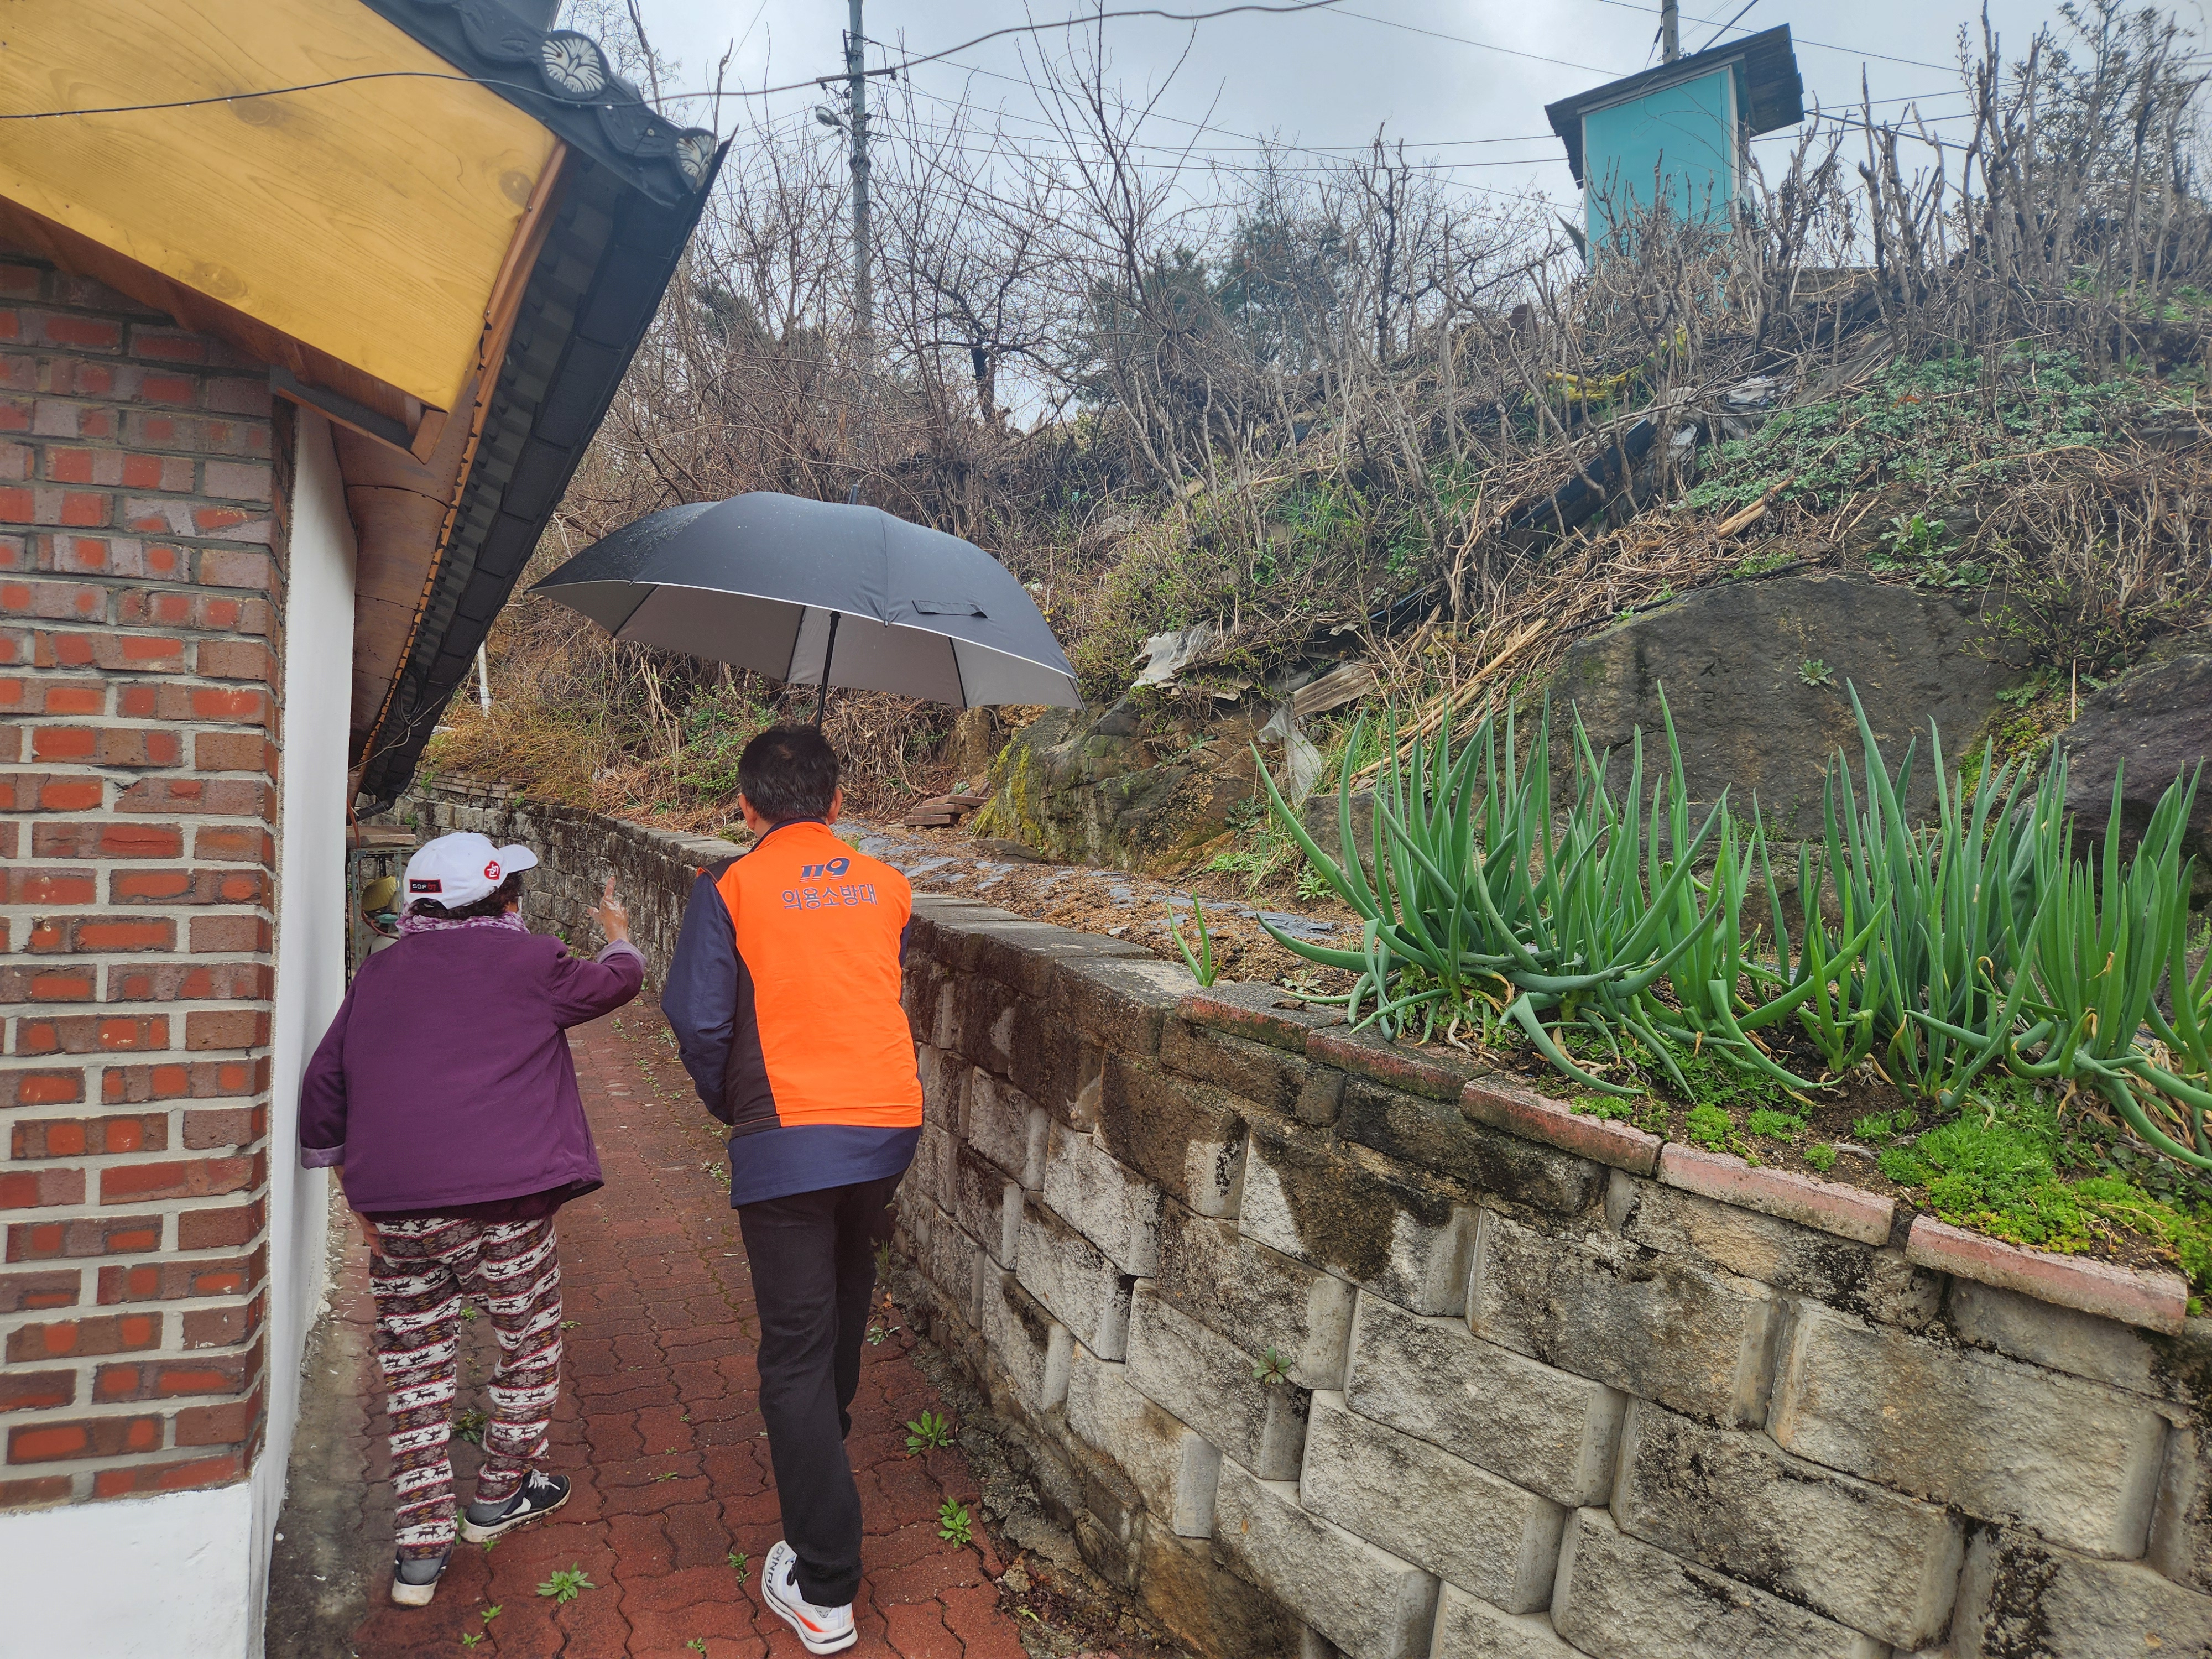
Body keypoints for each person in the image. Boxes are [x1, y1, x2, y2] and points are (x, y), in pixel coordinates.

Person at [298, 832, 643, 1608]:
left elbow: (324, 1084)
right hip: (504, 1206)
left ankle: (418, 1553)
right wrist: (619, 936)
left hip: (399, 1212)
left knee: (415, 1369)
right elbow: (615, 984)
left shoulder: (380, 971)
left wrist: (356, 1193)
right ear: (504, 900)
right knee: (528, 1340)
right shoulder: (532, 960)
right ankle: (499, 1492)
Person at [662, 726, 922, 1656]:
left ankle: (825, 1587)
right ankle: (827, 1441)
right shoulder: (887, 884)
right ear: (838, 802)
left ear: (746, 806)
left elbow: (698, 1019)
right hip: (887, 1127)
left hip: (788, 1135)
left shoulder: (727, 887)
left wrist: (731, 1103)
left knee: (795, 1354)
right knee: (844, 1297)